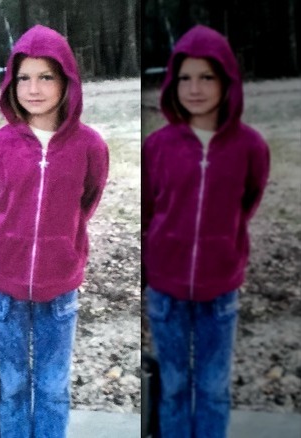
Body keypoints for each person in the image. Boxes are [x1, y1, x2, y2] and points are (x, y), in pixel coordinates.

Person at [0, 24, 109, 438]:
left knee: (53, 386)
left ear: (67, 82)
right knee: (13, 384)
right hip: (4, 290)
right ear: (10, 83)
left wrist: (63, 247)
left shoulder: (89, 147)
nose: (34, 88)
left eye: (46, 77)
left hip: (59, 292)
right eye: (23, 77)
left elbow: (86, 203)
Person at [142, 25, 270, 438]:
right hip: (166, 293)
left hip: (220, 293)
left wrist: (221, 248)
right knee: (175, 387)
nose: (194, 88)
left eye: (207, 77)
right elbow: (148, 211)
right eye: (184, 77)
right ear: (172, 83)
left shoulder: (250, 147)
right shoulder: (158, 146)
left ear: (226, 81)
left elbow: (246, 204)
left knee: (213, 389)